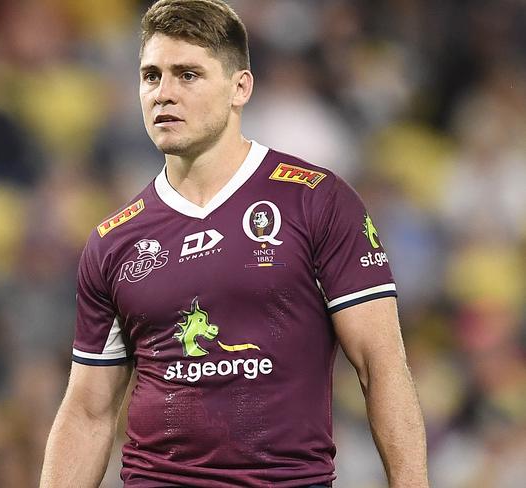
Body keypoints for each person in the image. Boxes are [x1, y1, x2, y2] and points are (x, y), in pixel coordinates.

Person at [40, 1, 429, 486]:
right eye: (151, 76)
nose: (164, 94)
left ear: (239, 87)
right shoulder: (114, 241)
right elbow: (88, 412)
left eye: (187, 75)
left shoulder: (316, 201)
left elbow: (382, 366)